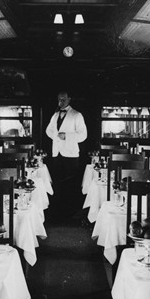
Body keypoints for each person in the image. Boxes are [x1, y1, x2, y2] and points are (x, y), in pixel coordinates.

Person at [45, 90, 87, 220]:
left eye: (63, 99)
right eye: (59, 100)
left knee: (70, 184)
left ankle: (70, 213)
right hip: (57, 154)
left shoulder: (77, 115)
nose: (61, 102)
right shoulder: (55, 114)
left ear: (69, 99)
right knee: (57, 183)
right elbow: (49, 130)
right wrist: (56, 136)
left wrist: (66, 136)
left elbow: (83, 135)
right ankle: (58, 213)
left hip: (70, 155)